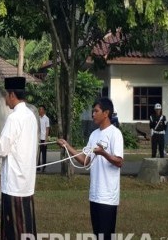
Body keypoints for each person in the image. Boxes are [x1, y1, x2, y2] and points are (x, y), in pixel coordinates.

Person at [57, 97, 123, 240]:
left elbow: (119, 162)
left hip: (108, 196)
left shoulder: (115, 134)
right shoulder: (94, 135)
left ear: (106, 113)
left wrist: (103, 153)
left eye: (96, 111)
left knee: (105, 236)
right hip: (95, 194)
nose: (93, 114)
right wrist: (67, 146)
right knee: (97, 234)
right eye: (93, 111)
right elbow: (85, 161)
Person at [0, 77, 38, 239]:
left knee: (14, 226)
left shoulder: (14, 118)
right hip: (26, 181)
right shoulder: (30, 116)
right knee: (26, 223)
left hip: (14, 182)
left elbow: (2, 148)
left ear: (12, 95)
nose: (5, 99)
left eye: (6, 95)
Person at [37, 105, 50, 172]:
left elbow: (47, 129)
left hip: (43, 139)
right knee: (38, 153)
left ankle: (44, 166)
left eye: (41, 109)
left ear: (44, 111)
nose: (39, 110)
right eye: (39, 109)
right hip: (38, 139)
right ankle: (38, 166)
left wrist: (46, 139)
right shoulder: (38, 118)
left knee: (43, 154)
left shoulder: (46, 119)